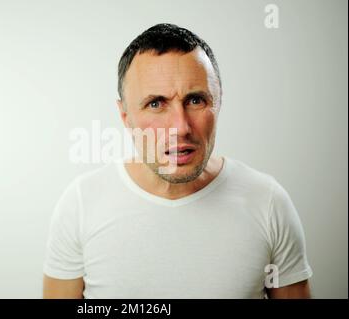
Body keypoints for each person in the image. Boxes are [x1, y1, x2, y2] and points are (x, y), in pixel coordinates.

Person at [43, 23, 313, 299]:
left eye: (195, 100)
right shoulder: (82, 204)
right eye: (156, 104)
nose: (180, 127)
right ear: (125, 116)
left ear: (218, 103)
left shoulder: (267, 202)